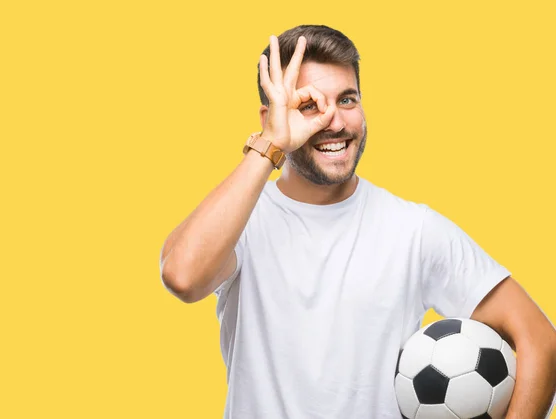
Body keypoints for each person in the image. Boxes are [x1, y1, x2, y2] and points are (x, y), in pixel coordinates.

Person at [160, 24, 556, 419]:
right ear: (271, 117)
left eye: (347, 100)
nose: (334, 122)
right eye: (309, 105)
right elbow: (182, 276)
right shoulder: (242, 219)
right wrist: (271, 144)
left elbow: (540, 341)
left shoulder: (412, 229)